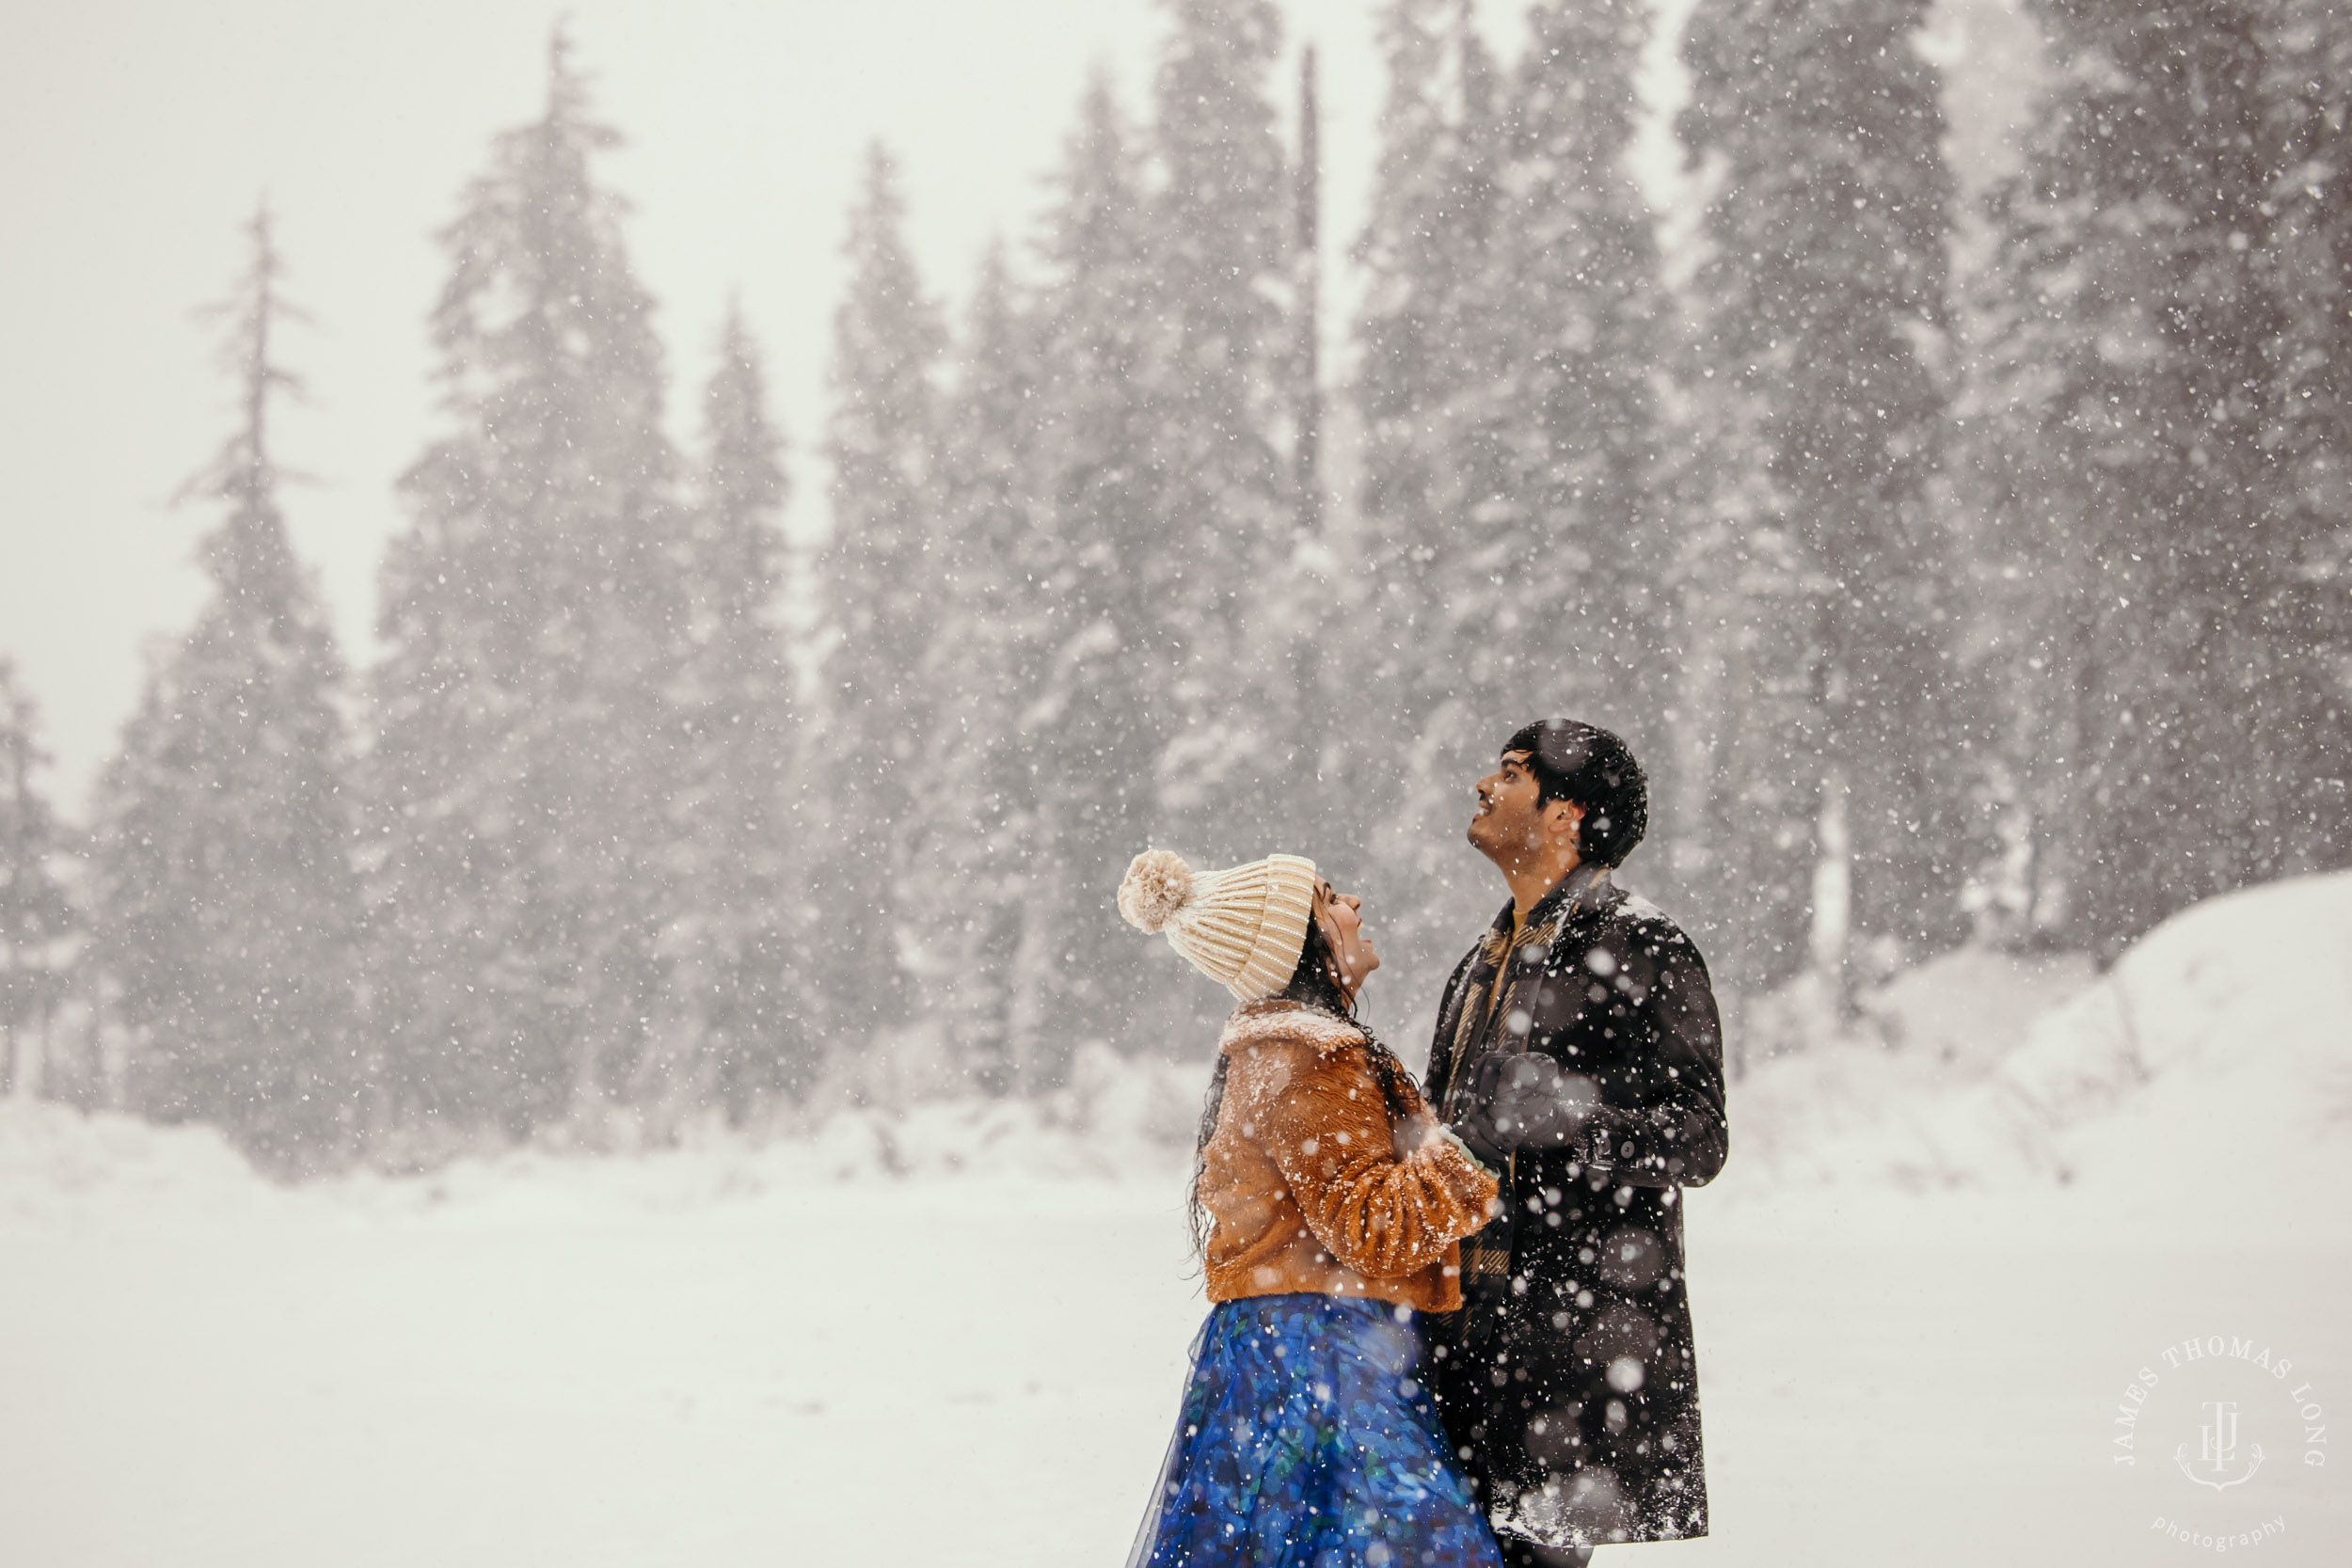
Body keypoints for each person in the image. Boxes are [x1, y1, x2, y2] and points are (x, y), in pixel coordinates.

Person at [1119, 847, 1507, 1568]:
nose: (1353, 904)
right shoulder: (1309, 1057)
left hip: (1277, 1351)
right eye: (1330, 899)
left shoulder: (1271, 1054)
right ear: (1297, 945)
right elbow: (1373, 1230)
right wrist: (1473, 1149)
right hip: (1324, 1359)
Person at [1422, 721, 1729, 1565]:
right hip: (1460, 1335)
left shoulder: (1642, 944)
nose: (1484, 784)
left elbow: (1702, 1137)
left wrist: (1578, 1123)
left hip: (1568, 1342)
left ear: (1568, 816)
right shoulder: (1478, 961)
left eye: (1513, 773)